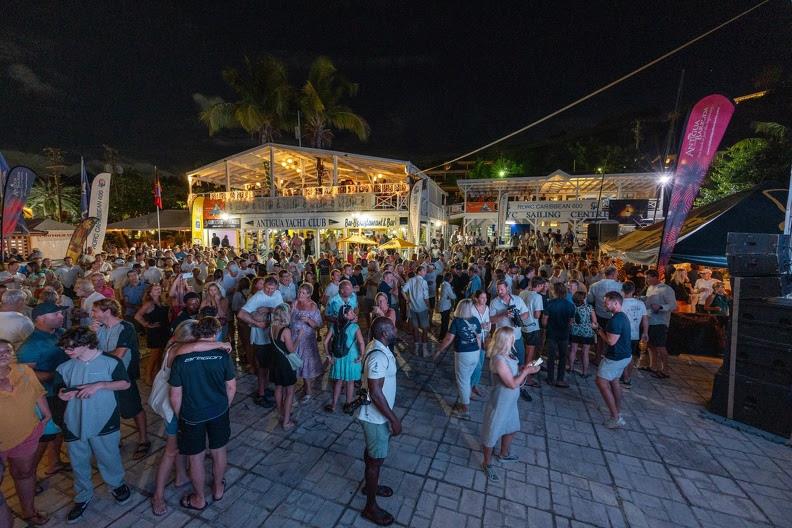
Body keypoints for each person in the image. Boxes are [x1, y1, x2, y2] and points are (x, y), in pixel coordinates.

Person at [149, 319, 226, 516]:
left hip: (183, 404)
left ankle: (181, 476)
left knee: (185, 447)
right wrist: (220, 343)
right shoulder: (179, 350)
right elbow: (200, 347)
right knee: (172, 450)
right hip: (175, 408)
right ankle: (158, 495)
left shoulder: (178, 346)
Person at [55, 327, 132, 523]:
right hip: (74, 421)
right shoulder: (65, 366)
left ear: (87, 344)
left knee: (108, 455)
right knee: (78, 461)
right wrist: (63, 393)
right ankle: (83, 496)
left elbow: (125, 383)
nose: (66, 351)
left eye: (71, 347)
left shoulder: (111, 361)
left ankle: (116, 485)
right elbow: (60, 389)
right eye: (64, 347)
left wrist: (99, 385)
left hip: (104, 419)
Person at [168, 317, 236, 511]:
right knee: (219, 450)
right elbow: (231, 388)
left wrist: (183, 414)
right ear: (216, 333)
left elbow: (175, 395)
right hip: (218, 411)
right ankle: (217, 488)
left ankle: (199, 498)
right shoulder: (223, 355)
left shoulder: (180, 358)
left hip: (191, 414)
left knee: (195, 458)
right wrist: (224, 407)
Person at [0, 340, 52, 526]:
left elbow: (38, 392)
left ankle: (29, 512)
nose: (3, 354)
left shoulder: (24, 371)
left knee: (24, 472)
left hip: (26, 433)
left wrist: (46, 414)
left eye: (7, 350)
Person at [16, 303, 69, 478]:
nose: (61, 316)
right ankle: (28, 476)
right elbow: (25, 374)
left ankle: (54, 462)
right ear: (40, 319)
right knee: (44, 437)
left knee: (60, 428)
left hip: (61, 392)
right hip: (47, 397)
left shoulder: (60, 333)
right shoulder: (31, 345)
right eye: (57, 314)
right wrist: (54, 374)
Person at [92, 298, 150, 459]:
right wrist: (93, 334)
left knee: (134, 408)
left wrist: (95, 355)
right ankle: (115, 439)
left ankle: (144, 439)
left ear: (107, 311)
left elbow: (119, 354)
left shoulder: (126, 328)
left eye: (95, 310)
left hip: (123, 375)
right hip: (105, 375)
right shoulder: (99, 328)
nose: (92, 314)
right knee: (111, 408)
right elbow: (89, 349)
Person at [357, 317, 401, 526]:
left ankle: (370, 486)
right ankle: (370, 507)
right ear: (384, 333)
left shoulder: (378, 345)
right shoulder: (377, 357)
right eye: (392, 327)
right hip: (376, 418)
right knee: (376, 461)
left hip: (378, 415)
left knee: (373, 454)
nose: (396, 329)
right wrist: (394, 420)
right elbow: (375, 392)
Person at [480, 327, 540, 482]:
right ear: (505, 340)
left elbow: (513, 372)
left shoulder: (509, 354)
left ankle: (503, 454)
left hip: (511, 400)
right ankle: (487, 463)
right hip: (501, 400)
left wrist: (523, 368)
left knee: (512, 427)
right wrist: (526, 373)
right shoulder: (499, 359)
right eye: (512, 338)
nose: (515, 339)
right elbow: (512, 384)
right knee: (492, 431)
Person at [237, 276, 283, 407]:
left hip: (273, 336)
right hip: (260, 338)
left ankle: (266, 388)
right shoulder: (257, 297)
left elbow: (280, 310)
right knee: (262, 367)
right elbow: (241, 314)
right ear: (263, 287)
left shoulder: (278, 294)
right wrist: (257, 323)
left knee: (269, 365)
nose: (270, 291)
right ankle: (261, 394)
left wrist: (269, 310)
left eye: (272, 289)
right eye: (267, 288)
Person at [432, 299, 482, 418]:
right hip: (475, 352)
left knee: (462, 380)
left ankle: (464, 408)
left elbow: (449, 339)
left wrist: (439, 350)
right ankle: (468, 395)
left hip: (464, 354)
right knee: (467, 377)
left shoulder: (456, 322)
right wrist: (478, 353)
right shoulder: (475, 320)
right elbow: (479, 338)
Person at [594, 291, 633, 429]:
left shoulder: (615, 320)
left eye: (607, 302)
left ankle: (615, 417)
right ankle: (617, 409)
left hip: (615, 357)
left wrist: (599, 331)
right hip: (625, 356)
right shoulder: (621, 317)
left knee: (601, 382)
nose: (604, 304)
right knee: (614, 381)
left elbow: (611, 341)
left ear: (616, 303)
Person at [323, 305, 365, 413]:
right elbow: (361, 342)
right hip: (351, 357)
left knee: (338, 382)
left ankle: (333, 405)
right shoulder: (355, 327)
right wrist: (362, 355)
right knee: (350, 382)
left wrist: (328, 355)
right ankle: (348, 405)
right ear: (345, 315)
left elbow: (325, 342)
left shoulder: (334, 326)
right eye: (351, 313)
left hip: (338, 357)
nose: (353, 314)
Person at [268, 304, 299, 429]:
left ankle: (281, 411)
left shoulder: (271, 327)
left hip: (274, 361)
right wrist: (299, 338)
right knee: (290, 392)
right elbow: (291, 349)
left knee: (278, 388)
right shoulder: (285, 330)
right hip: (285, 363)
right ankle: (286, 421)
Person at [290, 284, 323, 400]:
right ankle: (291, 391)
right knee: (292, 363)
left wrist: (308, 320)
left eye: (303, 293)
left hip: (307, 340)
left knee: (305, 364)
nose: (300, 295)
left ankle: (308, 391)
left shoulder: (313, 306)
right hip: (293, 337)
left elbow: (319, 325)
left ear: (309, 294)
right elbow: (289, 318)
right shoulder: (295, 303)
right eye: (299, 292)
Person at [642, 269, 676, 378]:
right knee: (650, 345)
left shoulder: (667, 289)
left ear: (655, 277)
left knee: (660, 346)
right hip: (650, 320)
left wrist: (661, 307)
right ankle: (653, 366)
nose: (646, 280)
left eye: (648, 277)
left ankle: (665, 370)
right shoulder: (650, 288)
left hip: (661, 322)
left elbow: (673, 305)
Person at [542, 282, 576, 388]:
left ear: (554, 291)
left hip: (551, 332)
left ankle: (550, 378)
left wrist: (546, 326)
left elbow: (544, 321)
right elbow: (571, 321)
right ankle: (560, 379)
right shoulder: (570, 305)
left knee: (551, 356)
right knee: (562, 356)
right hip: (564, 333)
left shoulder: (550, 303)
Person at [135, 283, 170, 383]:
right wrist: (146, 324)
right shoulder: (149, 303)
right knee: (154, 356)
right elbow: (137, 316)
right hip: (155, 332)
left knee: (159, 355)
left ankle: (156, 375)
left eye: (159, 289)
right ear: (150, 293)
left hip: (164, 330)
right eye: (155, 289)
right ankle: (148, 377)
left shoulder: (162, 301)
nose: (158, 291)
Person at [586, 266, 622, 363]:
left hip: (599, 315)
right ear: (614, 274)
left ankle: (598, 358)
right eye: (617, 273)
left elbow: (590, 300)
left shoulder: (595, 285)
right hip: (614, 316)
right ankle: (610, 359)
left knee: (599, 338)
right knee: (613, 338)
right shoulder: (619, 286)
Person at [619, 281, 648, 388]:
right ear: (634, 290)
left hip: (622, 334)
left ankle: (625, 378)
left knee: (624, 356)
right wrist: (645, 332)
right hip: (635, 334)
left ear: (622, 290)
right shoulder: (640, 303)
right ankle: (626, 377)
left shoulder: (620, 303)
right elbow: (645, 319)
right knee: (630, 356)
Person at [402, 265, 431, 353]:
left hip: (413, 308)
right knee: (425, 329)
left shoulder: (410, 280)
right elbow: (426, 298)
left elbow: (403, 290)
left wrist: (407, 299)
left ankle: (416, 349)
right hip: (422, 308)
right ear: (419, 272)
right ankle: (425, 350)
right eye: (424, 271)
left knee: (415, 329)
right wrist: (429, 307)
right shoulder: (424, 282)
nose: (425, 272)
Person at [569, 291, 596, 377]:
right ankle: (584, 373)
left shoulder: (572, 307)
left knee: (573, 350)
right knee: (585, 352)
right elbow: (594, 322)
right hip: (587, 332)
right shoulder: (589, 307)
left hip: (575, 331)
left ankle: (571, 369)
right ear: (583, 299)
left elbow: (570, 321)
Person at [470, 290, 491, 398]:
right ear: (476, 298)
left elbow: (488, 321)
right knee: (476, 365)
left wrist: (488, 326)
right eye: (482, 298)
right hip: (473, 340)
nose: (484, 300)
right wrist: (480, 326)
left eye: (485, 298)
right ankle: (469, 387)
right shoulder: (471, 309)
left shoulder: (487, 308)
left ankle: (475, 385)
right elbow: (468, 324)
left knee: (481, 363)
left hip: (483, 339)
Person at [436, 272, 456, 340]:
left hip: (443, 305)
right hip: (445, 307)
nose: (452, 278)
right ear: (450, 278)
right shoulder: (447, 286)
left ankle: (442, 336)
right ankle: (442, 337)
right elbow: (453, 296)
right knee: (445, 323)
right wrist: (453, 293)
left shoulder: (443, 283)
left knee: (444, 322)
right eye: (452, 277)